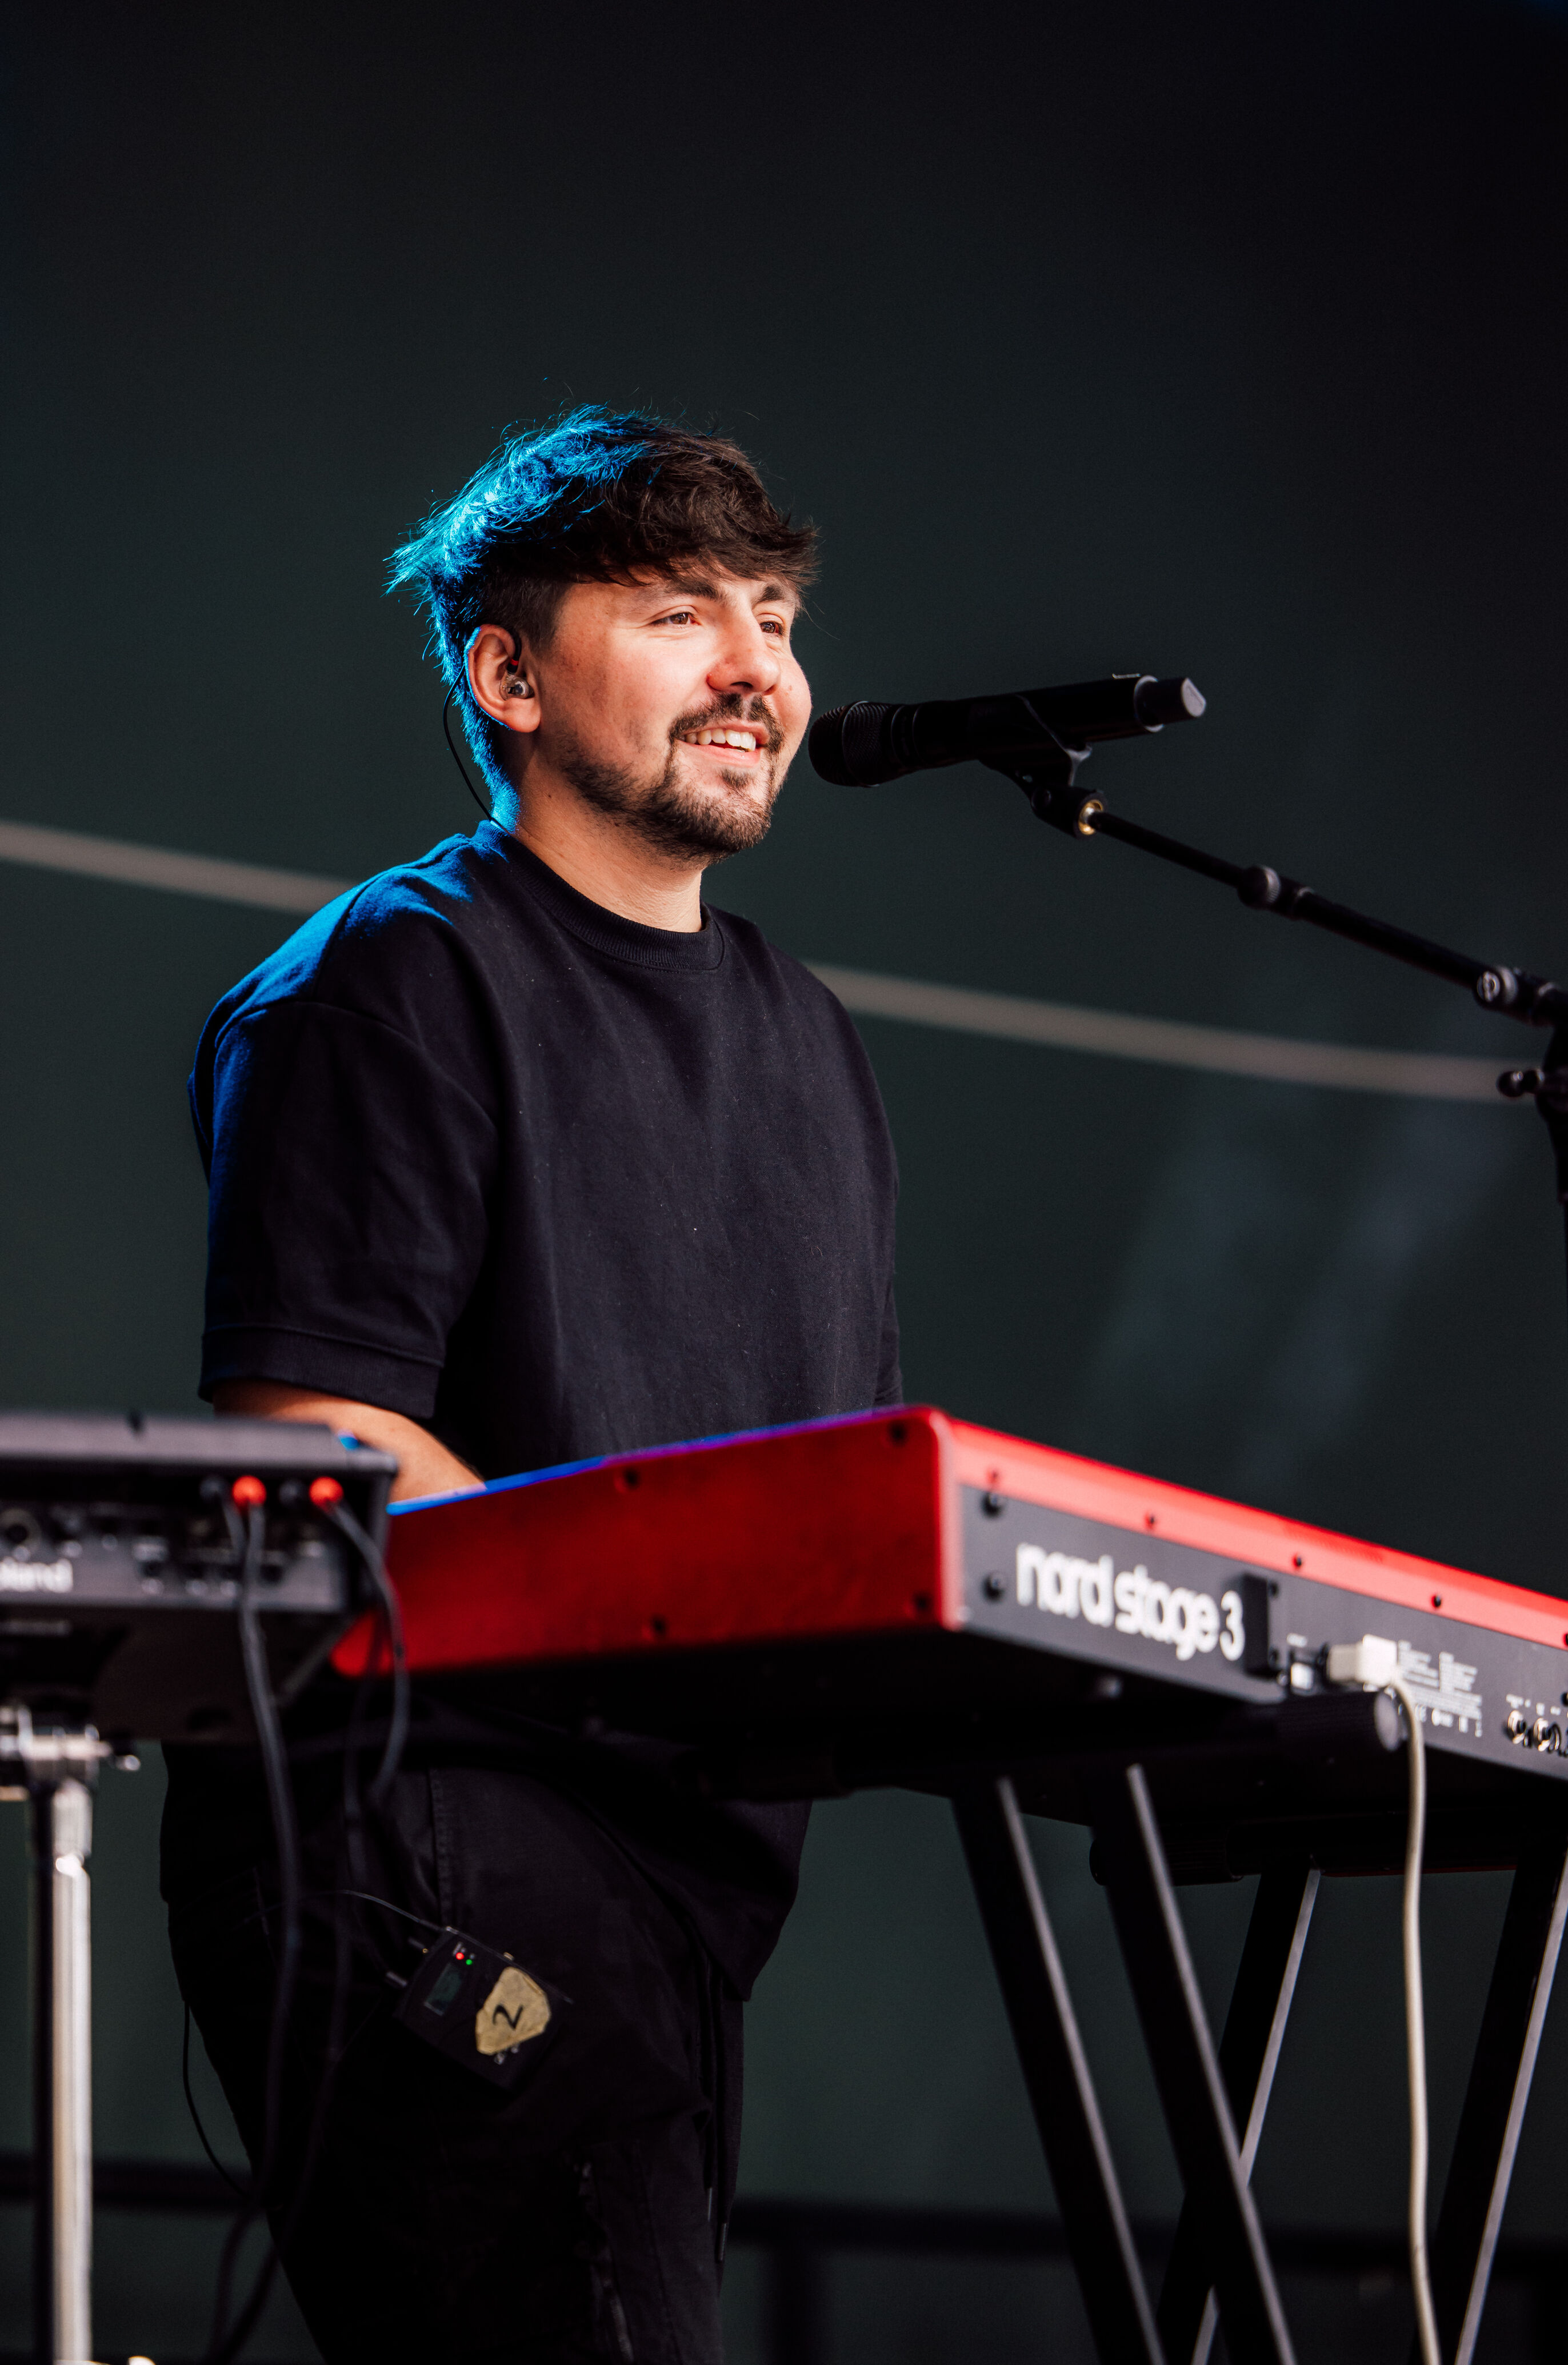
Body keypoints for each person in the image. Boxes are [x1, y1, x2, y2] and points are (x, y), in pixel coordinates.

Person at [162, 408, 901, 2363]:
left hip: (682, 1881)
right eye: (679, 612)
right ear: (505, 674)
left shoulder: (810, 1040)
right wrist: (677, 1595)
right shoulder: (391, 981)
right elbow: (311, 1434)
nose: (757, 667)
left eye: (775, 610)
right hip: (432, 1844)